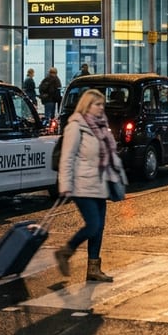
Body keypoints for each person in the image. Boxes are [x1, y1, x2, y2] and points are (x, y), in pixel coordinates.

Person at [54, 88, 126, 282]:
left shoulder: (102, 127)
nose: (101, 108)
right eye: (97, 104)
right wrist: (65, 184)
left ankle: (93, 268)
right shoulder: (76, 126)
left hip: (100, 184)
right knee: (93, 225)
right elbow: (67, 158)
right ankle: (66, 251)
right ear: (87, 105)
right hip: (82, 184)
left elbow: (110, 155)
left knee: (99, 227)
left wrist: (118, 178)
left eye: (103, 104)